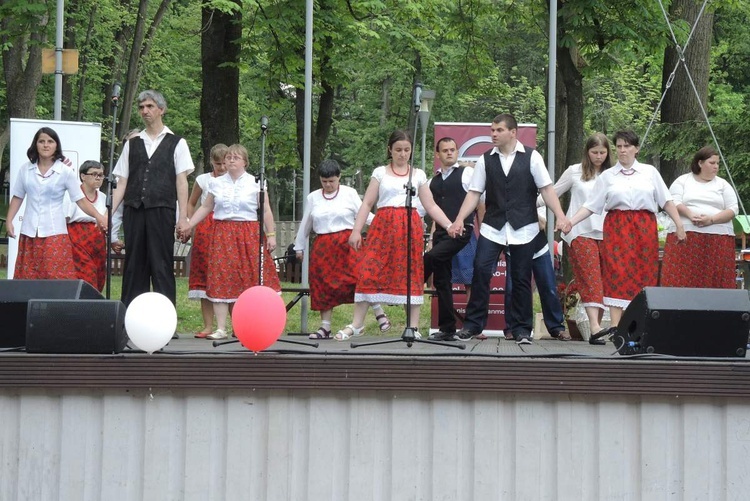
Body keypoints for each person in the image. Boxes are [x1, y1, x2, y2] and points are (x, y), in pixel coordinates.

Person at [448, 113, 569, 345]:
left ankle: (522, 329)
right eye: (492, 130)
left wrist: (561, 216)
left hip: (524, 227)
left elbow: (547, 189)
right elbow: (474, 193)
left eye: (499, 130)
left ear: (513, 132)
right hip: (493, 227)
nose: (493, 134)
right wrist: (459, 219)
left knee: (521, 278)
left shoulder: (532, 157)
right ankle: (473, 325)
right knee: (481, 271)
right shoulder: (485, 159)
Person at [566, 130, 686, 343]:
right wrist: (570, 222)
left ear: (636, 149)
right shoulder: (608, 176)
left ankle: (640, 322)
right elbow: (590, 206)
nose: (622, 150)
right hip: (617, 225)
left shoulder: (649, 172)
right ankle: (615, 327)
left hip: (643, 225)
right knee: (617, 271)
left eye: (627, 146)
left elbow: (666, 201)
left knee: (644, 271)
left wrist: (679, 224)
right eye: (619, 146)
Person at [336, 130, 454, 341]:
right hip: (382, 228)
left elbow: (431, 205)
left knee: (412, 274)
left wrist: (449, 224)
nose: (402, 154)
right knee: (368, 270)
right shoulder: (380, 172)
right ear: (390, 150)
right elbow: (367, 203)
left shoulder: (417, 175)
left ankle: (413, 326)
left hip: (409, 228)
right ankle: (357, 324)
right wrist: (356, 230)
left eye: (406, 150)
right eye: (398, 149)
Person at [180, 143, 280, 340]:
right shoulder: (217, 183)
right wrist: (189, 224)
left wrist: (271, 234)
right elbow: (206, 207)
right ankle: (221, 328)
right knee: (221, 276)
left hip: (248, 232)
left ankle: (247, 324)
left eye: (236, 157)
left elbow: (266, 210)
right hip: (222, 232)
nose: (231, 160)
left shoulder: (256, 182)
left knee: (249, 277)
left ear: (245, 162)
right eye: (228, 157)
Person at [111, 90, 194, 310]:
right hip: (134, 209)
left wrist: (183, 218)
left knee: (161, 265)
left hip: (162, 210)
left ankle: (165, 319)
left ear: (161, 109)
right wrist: (107, 214)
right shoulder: (132, 143)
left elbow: (182, 182)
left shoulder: (177, 142)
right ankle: (129, 317)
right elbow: (122, 182)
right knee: (134, 265)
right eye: (141, 107)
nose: (145, 111)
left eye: (149, 106)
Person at [293, 159, 392, 339]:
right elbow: (306, 223)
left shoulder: (349, 193)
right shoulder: (313, 197)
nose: (328, 185)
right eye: (324, 181)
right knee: (323, 284)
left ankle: (378, 312)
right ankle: (325, 327)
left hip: (349, 244)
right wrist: (299, 246)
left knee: (360, 278)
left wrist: (383, 225)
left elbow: (364, 214)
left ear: (339, 177)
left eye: (332, 181)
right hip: (323, 246)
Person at [6, 127, 108, 280]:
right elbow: (18, 197)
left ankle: (55, 305)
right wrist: (9, 220)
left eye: (50, 141)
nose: (46, 145)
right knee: (28, 276)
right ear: (36, 145)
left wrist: (99, 216)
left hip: (55, 232)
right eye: (41, 141)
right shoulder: (25, 169)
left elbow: (80, 200)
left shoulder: (65, 171)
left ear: (56, 146)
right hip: (29, 231)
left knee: (55, 277)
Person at [542, 132, 612, 337]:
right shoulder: (575, 171)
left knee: (607, 280)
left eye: (602, 152)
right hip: (580, 231)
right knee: (591, 278)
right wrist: (530, 204)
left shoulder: (614, 174)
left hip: (609, 234)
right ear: (587, 152)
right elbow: (552, 193)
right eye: (594, 152)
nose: (598, 156)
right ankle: (594, 326)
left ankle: (602, 326)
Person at [422, 137, 480, 341]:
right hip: (440, 234)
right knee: (442, 280)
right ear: (437, 154)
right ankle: (447, 328)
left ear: (457, 152)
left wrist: (472, 224)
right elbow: (428, 209)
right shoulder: (431, 182)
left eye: (452, 149)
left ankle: (410, 284)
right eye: (445, 150)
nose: (449, 153)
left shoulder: (467, 173)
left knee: (431, 259)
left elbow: (478, 199)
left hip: (461, 232)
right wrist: (431, 237)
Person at [660, 146, 738, 289]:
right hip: (687, 238)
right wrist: (690, 214)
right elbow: (673, 201)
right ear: (700, 163)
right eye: (712, 163)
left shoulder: (723, 184)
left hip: (718, 239)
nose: (716, 167)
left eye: (717, 163)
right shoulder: (682, 181)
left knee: (715, 281)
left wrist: (712, 219)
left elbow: (733, 208)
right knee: (682, 278)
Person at [503, 209, 570, 341]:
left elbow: (542, 224)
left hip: (539, 247)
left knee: (548, 286)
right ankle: (512, 328)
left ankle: (556, 327)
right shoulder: (508, 196)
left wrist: (526, 207)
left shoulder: (538, 197)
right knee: (512, 288)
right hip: (514, 246)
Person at [187, 143, 228, 338]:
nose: (221, 168)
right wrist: (189, 224)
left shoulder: (234, 180)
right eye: (217, 163)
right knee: (204, 275)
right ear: (211, 161)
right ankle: (208, 325)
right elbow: (191, 203)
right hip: (205, 227)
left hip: (226, 228)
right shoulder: (203, 180)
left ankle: (234, 325)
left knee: (227, 275)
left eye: (224, 163)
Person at [65, 160, 108, 291]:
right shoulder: (72, 195)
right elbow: (64, 219)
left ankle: (96, 307)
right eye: (94, 174)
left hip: (98, 242)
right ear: (83, 176)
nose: (98, 178)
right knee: (86, 276)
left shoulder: (103, 197)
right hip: (78, 240)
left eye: (101, 175)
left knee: (99, 276)